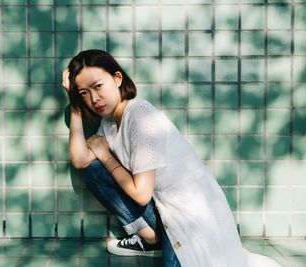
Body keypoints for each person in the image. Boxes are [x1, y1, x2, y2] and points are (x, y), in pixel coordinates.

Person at [62, 49, 281, 267]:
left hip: (192, 217)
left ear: (117, 78)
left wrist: (107, 157)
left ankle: (156, 240)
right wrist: (75, 105)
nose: (94, 98)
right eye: (84, 93)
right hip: (163, 211)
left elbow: (140, 194)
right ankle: (151, 239)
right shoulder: (109, 123)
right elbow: (81, 160)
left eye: (98, 86)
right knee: (93, 171)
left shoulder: (140, 116)